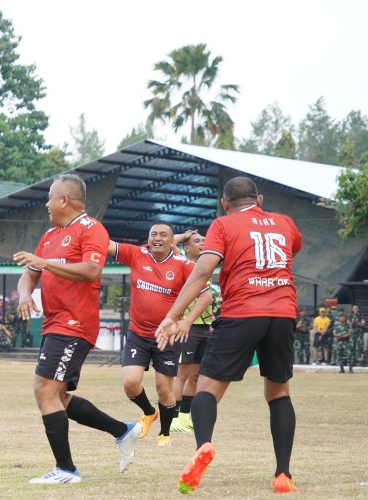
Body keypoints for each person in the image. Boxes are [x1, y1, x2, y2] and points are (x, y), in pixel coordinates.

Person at [155, 176, 302, 494]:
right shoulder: (285, 222)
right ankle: (283, 475)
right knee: (279, 393)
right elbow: (293, 248)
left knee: (206, 388)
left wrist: (172, 315)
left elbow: (203, 271)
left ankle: (204, 446)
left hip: (242, 312)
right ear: (259, 200)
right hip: (282, 312)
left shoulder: (223, 225)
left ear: (225, 204)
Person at [13, 174, 141, 485]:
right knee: (57, 395)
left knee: (44, 391)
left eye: (49, 197)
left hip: (75, 323)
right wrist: (25, 293)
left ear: (64, 200)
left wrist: (43, 264)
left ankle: (66, 470)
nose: (46, 204)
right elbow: (29, 273)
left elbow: (91, 270)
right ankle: (122, 430)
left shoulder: (92, 229)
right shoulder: (50, 235)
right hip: (54, 323)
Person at [108, 223, 211, 446]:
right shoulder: (136, 254)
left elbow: (206, 297)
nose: (157, 238)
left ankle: (164, 432)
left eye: (163, 235)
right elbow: (105, 245)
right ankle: (148, 412)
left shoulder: (183, 265)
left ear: (171, 240)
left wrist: (185, 322)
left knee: (164, 390)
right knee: (130, 382)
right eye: (153, 234)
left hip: (166, 337)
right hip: (137, 333)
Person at [170, 230, 214, 434]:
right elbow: (169, 242)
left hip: (204, 328)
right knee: (181, 374)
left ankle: (186, 416)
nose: (202, 243)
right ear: (186, 248)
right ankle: (173, 417)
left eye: (204, 240)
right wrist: (183, 235)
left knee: (195, 375)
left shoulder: (206, 267)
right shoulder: (182, 263)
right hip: (187, 327)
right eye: (197, 241)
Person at [348, 304, 366, 370]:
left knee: (360, 347)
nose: (355, 309)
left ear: (358, 309)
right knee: (352, 348)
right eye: (354, 308)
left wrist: (356, 323)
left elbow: (363, 324)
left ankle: (362, 361)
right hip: (352, 334)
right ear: (352, 309)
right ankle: (353, 361)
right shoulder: (349, 316)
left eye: (356, 308)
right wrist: (351, 323)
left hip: (359, 334)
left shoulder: (361, 316)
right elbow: (348, 324)